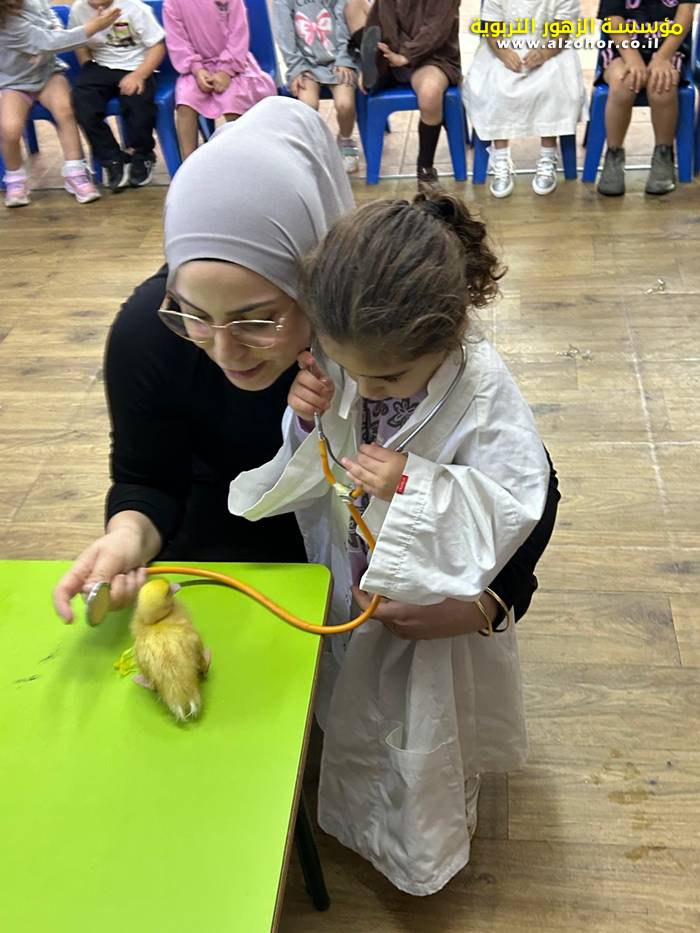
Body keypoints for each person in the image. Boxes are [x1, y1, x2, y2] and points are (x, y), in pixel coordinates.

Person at [51, 104, 559, 895]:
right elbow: (156, 477)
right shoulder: (159, 338)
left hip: (385, 589)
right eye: (195, 315)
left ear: (310, 284)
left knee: (412, 733)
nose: (225, 348)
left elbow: (526, 488)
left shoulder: (371, 327)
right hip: (280, 562)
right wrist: (128, 533)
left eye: (259, 320)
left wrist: (489, 602)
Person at [227, 192, 557, 894]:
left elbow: (516, 502)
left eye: (387, 380)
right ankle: (361, 807)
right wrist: (307, 417)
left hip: (434, 606)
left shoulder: (482, 392)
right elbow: (320, 460)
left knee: (423, 727)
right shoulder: (352, 354)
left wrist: (415, 481)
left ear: (450, 333)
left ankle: (422, 849)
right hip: (357, 570)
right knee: (356, 699)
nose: (367, 389)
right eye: (352, 372)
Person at [462, 0, 588, 198]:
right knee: (495, 88)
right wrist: (503, 52)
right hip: (504, 47)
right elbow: (492, 27)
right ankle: (500, 157)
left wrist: (545, 52)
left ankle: (548, 155)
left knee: (554, 87)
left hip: (550, 49)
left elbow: (563, 31)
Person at [0, 0, 119, 207]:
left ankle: (76, 172)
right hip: (14, 83)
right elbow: (49, 42)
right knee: (9, 129)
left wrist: (52, 33)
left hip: (48, 74)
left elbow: (51, 20)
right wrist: (92, 27)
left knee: (65, 110)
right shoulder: (7, 21)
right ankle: (15, 178)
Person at [596, 0, 695, 196]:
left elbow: (685, 16)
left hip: (668, 50)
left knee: (662, 85)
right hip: (622, 51)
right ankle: (614, 154)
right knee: (624, 83)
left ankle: (663, 154)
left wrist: (662, 58)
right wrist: (632, 58)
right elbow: (613, 19)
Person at [359, 0, 462, 189]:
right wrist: (367, 64)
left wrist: (406, 56)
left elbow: (436, 30)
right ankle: (442, 117)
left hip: (433, 57)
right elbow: (374, 23)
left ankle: (425, 168)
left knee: (430, 93)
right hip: (391, 58)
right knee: (365, 81)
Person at [68, 0, 166, 192]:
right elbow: (79, 43)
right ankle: (112, 158)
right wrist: (88, 65)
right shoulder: (78, 9)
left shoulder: (135, 7)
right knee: (82, 102)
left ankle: (143, 154)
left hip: (136, 66)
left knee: (138, 106)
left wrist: (139, 75)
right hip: (100, 66)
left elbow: (158, 46)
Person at [163, 0, 275, 161]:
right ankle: (189, 163)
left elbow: (239, 34)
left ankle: (242, 158)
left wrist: (226, 71)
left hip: (235, 66)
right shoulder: (172, 4)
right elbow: (177, 42)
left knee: (233, 101)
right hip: (197, 69)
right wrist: (197, 69)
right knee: (185, 102)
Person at [272, 0, 362, 173]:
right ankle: (315, 147)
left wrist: (344, 60)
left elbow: (345, 26)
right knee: (308, 106)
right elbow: (285, 35)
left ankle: (345, 139)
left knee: (345, 104)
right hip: (305, 64)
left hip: (339, 61)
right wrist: (297, 68)